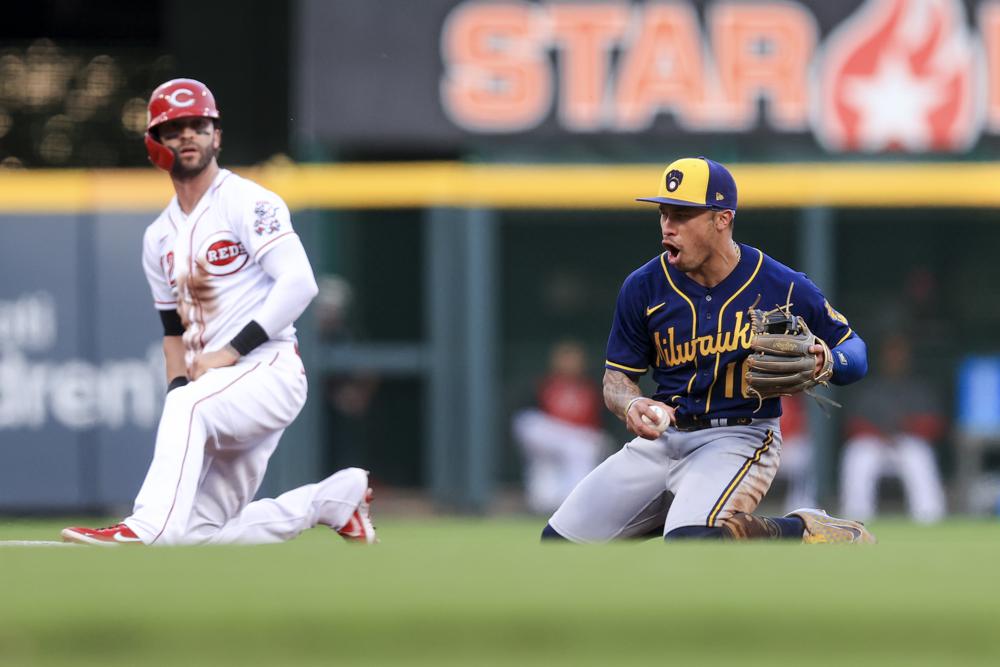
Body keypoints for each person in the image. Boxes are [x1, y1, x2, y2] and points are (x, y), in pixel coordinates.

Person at [62, 78, 376, 545]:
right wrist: (178, 388)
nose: (188, 134)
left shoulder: (247, 201)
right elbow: (172, 331)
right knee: (200, 534)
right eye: (174, 127)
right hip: (219, 388)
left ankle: (145, 529)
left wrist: (227, 354)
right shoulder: (158, 237)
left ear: (217, 135)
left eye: (199, 124)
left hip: (268, 367)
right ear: (156, 143)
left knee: (189, 410)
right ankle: (330, 499)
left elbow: (300, 283)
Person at [542, 156, 874, 544]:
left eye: (683, 215)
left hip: (739, 437)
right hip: (664, 439)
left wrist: (830, 360)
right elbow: (617, 379)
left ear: (722, 219)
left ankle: (801, 530)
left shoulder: (781, 284)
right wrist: (631, 405)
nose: (668, 227)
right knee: (558, 545)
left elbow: (857, 351)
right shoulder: (643, 287)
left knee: (690, 542)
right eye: (664, 214)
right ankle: (696, 518)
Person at [840, 334, 947, 523]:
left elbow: (934, 425)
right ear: (882, 358)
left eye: (900, 354)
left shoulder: (918, 388)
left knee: (919, 455)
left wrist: (907, 428)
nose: (895, 359)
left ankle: (929, 517)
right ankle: (856, 517)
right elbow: (853, 425)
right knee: (857, 455)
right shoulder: (870, 388)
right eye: (891, 354)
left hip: (906, 443)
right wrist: (879, 435)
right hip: (874, 444)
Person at [512, 340, 611, 514]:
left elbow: (604, 424)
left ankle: (574, 506)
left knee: (581, 450)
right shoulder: (542, 383)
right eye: (564, 358)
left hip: (581, 441)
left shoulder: (593, 385)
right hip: (552, 438)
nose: (569, 363)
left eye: (573, 358)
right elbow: (527, 416)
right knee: (526, 423)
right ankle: (561, 505)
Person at [775, 394, 818, 512]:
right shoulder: (757, 400)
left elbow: (801, 429)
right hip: (766, 449)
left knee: (802, 455)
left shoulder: (793, 401)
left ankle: (800, 505)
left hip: (786, 448)